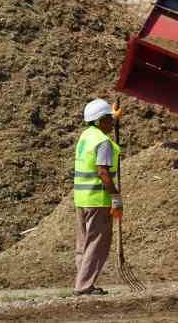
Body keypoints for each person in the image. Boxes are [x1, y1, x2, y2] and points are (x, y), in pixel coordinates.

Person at [72, 99, 121, 296]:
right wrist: (116, 198)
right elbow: (103, 172)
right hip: (98, 200)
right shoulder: (103, 142)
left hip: (81, 199)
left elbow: (102, 125)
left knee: (83, 244)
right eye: (109, 119)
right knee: (97, 243)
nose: (112, 122)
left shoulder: (86, 136)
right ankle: (83, 286)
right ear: (100, 120)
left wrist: (114, 117)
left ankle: (82, 281)